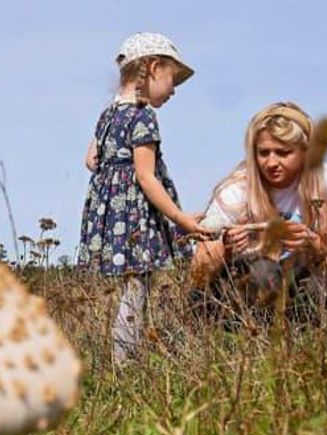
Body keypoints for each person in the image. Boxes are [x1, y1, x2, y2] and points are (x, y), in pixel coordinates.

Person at [79, 32, 208, 366]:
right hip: (135, 214)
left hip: (110, 212)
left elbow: (91, 159)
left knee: (131, 288)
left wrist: (106, 170)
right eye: (171, 78)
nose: (174, 89)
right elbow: (146, 177)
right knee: (138, 288)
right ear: (152, 68)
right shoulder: (143, 115)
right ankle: (126, 366)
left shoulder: (107, 115)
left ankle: (125, 360)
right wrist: (180, 219)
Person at [191, 101, 327, 318]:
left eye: (283, 153)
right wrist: (226, 248)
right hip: (245, 290)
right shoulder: (236, 190)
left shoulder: (323, 179)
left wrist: (311, 243)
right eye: (264, 153)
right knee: (264, 271)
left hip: (299, 279)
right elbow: (198, 270)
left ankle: (307, 340)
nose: (271, 162)